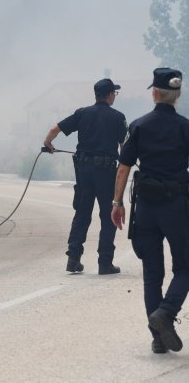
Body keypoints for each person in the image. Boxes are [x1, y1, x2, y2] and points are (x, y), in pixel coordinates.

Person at [112, 67, 189, 354]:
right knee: (185, 267)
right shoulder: (185, 127)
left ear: (154, 93)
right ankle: (166, 313)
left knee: (152, 274)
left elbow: (123, 167)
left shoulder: (139, 125)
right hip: (177, 207)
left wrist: (117, 203)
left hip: (145, 208)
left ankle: (157, 338)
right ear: (177, 94)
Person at [43, 77, 127, 274]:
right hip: (106, 173)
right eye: (114, 93)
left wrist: (48, 144)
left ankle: (73, 259)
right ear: (109, 95)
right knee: (108, 216)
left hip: (84, 172)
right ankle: (105, 263)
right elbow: (125, 148)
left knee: (82, 214)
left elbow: (54, 129)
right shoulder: (118, 117)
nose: (115, 96)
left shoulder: (82, 113)